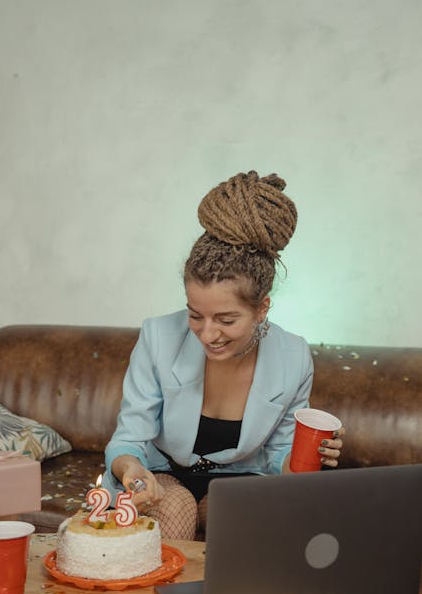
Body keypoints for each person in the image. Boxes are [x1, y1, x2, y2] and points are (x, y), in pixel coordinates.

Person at [102, 170, 344, 540]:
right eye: (195, 315)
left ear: (261, 309)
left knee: (236, 514)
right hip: (163, 473)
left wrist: (309, 460)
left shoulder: (293, 356)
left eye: (226, 319)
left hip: (241, 480)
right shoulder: (157, 337)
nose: (208, 334)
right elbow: (129, 439)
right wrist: (132, 471)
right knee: (175, 509)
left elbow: (279, 452)